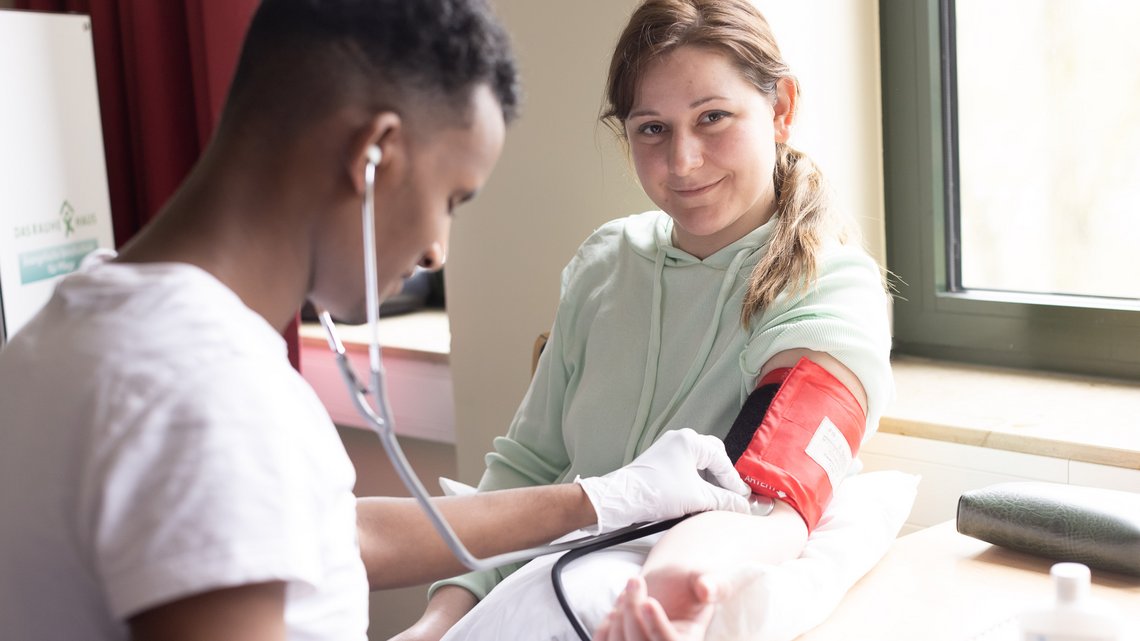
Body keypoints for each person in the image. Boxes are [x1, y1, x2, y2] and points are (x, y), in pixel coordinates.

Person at [0, 1, 755, 640]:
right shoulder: (207, 395)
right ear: (374, 154)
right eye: (453, 197)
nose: (434, 248)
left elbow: (337, 534)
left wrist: (605, 497)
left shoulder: (83, 322)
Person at [397, 0, 894, 639]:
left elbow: (774, 499)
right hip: (532, 600)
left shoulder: (829, 287)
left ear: (781, 108)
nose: (683, 160)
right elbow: (527, 468)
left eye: (713, 117)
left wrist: (669, 583)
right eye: (651, 128)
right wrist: (436, 624)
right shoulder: (607, 262)